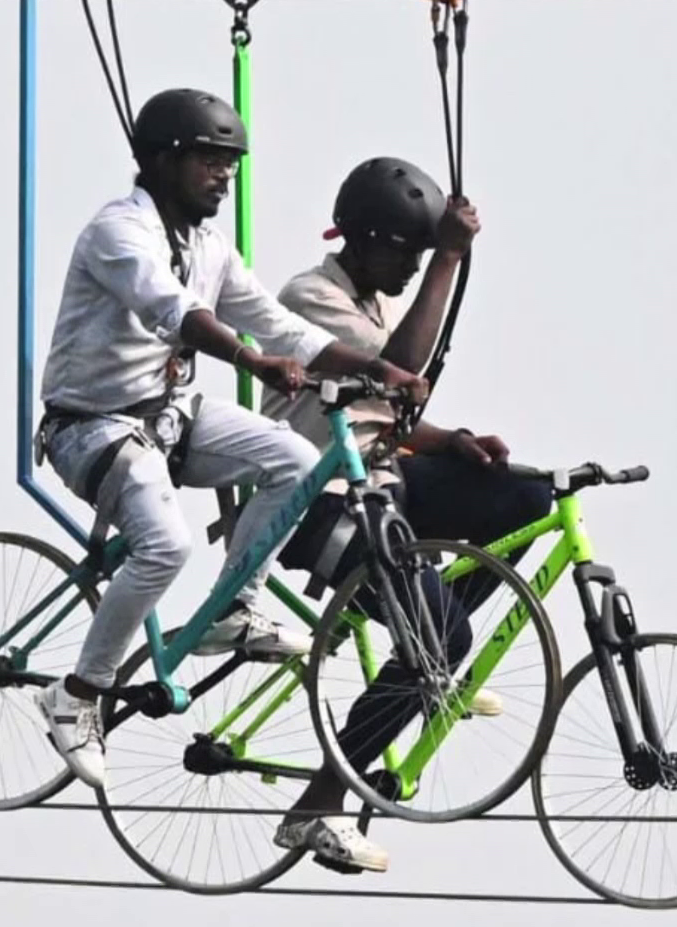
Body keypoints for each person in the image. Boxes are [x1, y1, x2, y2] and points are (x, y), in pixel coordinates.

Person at [34, 90, 430, 793]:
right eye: (210, 162)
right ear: (161, 162)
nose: (224, 176)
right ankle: (79, 692)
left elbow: (283, 327)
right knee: (166, 545)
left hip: (169, 416)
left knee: (297, 461)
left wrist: (379, 369)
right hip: (90, 425)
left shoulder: (210, 248)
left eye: (231, 165)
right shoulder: (117, 234)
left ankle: (231, 608)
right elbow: (175, 310)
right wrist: (250, 362)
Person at [260, 156, 555, 873]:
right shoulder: (309, 296)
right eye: (408, 253)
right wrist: (450, 260)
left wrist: (448, 440)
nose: (413, 267)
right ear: (364, 240)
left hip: (382, 482)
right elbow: (392, 367)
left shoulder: (376, 299)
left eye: (424, 254)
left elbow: (383, 411)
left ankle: (430, 646)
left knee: (528, 497)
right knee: (443, 640)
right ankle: (318, 802)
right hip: (319, 502)